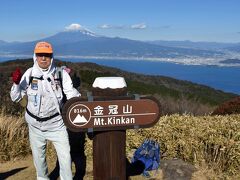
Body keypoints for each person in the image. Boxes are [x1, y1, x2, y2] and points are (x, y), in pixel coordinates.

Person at [10, 41, 80, 180]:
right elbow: (15, 97)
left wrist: (79, 102)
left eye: (46, 55)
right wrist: (16, 84)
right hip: (35, 126)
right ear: (35, 56)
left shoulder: (61, 74)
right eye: (40, 54)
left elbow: (72, 95)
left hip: (57, 124)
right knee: (39, 160)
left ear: (51, 57)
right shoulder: (29, 74)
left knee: (65, 158)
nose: (43, 58)